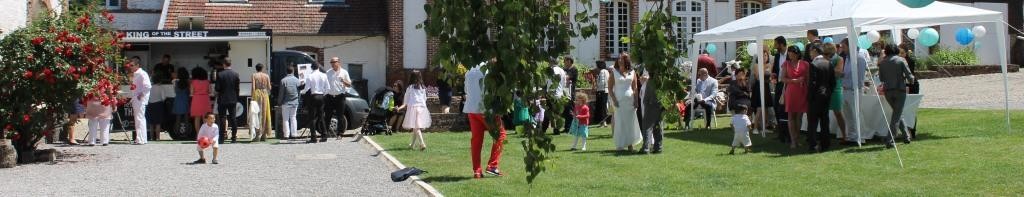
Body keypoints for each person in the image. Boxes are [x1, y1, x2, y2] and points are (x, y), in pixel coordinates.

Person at [464, 61, 507, 178]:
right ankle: (492, 165)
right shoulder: (490, 71)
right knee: (500, 135)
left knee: (476, 141)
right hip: (486, 109)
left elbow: (466, 90)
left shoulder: (469, 70)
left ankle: (477, 171)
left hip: (471, 109)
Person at [878, 43, 916, 148]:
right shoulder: (901, 60)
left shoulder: (882, 62)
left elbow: (881, 78)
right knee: (896, 116)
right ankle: (889, 140)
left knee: (897, 113)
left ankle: (906, 136)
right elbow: (909, 75)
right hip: (900, 90)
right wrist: (911, 80)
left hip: (888, 92)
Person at [608, 52, 642, 151]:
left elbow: (635, 88)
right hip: (618, 101)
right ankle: (620, 144)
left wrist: (636, 101)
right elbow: (610, 88)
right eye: (619, 59)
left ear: (626, 60)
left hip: (630, 101)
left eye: (622, 59)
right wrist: (614, 100)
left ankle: (630, 144)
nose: (619, 60)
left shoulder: (632, 72)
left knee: (630, 123)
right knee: (620, 122)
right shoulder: (614, 72)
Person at [805, 43, 836, 152]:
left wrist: (809, 96)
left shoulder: (813, 64)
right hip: (826, 95)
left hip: (815, 96)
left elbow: (812, 83)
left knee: (812, 122)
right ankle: (825, 144)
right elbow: (833, 82)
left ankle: (813, 145)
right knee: (824, 121)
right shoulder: (829, 63)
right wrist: (829, 92)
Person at [839, 38, 869, 145]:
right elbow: (847, 73)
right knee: (848, 115)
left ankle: (862, 137)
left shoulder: (859, 58)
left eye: (844, 46)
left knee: (857, 114)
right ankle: (852, 137)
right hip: (846, 90)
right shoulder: (847, 58)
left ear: (850, 46)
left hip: (854, 90)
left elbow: (860, 77)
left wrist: (853, 87)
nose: (842, 49)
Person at [782, 45, 809, 149]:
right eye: (789, 54)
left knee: (799, 116)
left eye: (793, 54)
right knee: (791, 116)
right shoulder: (786, 64)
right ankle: (793, 141)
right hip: (791, 91)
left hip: (802, 91)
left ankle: (797, 139)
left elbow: (808, 78)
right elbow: (782, 78)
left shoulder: (805, 64)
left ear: (798, 54)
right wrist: (794, 81)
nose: (791, 55)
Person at [397, 71, 430, 151]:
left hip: (413, 108)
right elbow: (425, 99)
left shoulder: (410, 88)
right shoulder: (423, 87)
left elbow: (405, 102)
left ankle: (422, 143)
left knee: (416, 127)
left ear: (411, 77)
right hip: (422, 108)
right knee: (416, 127)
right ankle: (412, 145)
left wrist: (398, 108)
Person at [823, 43, 847, 142]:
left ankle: (844, 135)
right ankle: (825, 135)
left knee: (838, 112)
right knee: (824, 113)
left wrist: (826, 67)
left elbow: (838, 72)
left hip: (836, 88)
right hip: (824, 87)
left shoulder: (839, 59)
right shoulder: (822, 59)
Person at [149, 55, 175, 141]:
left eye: (167, 61)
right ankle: (157, 138)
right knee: (158, 123)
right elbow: (163, 98)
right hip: (159, 105)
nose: (166, 62)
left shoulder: (150, 87)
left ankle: (152, 137)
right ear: (162, 59)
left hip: (151, 104)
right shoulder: (160, 87)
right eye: (165, 60)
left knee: (152, 122)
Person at [325, 57, 353, 139]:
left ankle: (340, 134)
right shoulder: (328, 72)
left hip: (340, 97)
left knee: (340, 116)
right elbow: (325, 84)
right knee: (327, 115)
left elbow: (349, 85)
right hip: (329, 97)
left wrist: (343, 81)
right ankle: (325, 133)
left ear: (339, 62)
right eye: (331, 62)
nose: (332, 63)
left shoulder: (344, 72)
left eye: (334, 62)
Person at [639, 70, 665, 154]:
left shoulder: (651, 81)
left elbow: (648, 96)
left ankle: (646, 147)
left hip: (651, 105)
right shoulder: (661, 80)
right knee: (657, 126)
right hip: (659, 105)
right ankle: (658, 147)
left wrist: (646, 103)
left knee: (647, 126)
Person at [214, 58, 240, 144]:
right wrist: (236, 97)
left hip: (222, 99)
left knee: (222, 118)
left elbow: (217, 88)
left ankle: (221, 138)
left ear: (223, 64)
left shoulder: (220, 74)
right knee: (233, 118)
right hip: (233, 99)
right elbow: (237, 88)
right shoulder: (236, 74)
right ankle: (234, 138)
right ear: (230, 64)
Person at [302, 64, 329, 143]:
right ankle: (324, 136)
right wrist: (323, 94)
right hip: (321, 96)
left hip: (313, 96)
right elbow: (328, 88)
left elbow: (306, 88)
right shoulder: (324, 75)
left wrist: (302, 92)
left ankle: (313, 137)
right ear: (318, 67)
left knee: (312, 117)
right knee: (321, 116)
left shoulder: (310, 76)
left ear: (311, 68)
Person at [541, 60, 570, 135]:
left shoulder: (551, 70)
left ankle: (544, 128)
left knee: (548, 112)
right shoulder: (562, 71)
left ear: (551, 63)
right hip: (559, 94)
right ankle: (556, 129)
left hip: (551, 93)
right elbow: (564, 83)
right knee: (557, 113)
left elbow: (548, 82)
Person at [771, 36, 791, 143]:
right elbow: (775, 70)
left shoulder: (791, 53)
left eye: (776, 44)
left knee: (786, 110)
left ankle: (789, 134)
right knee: (777, 108)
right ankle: (781, 133)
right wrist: (773, 76)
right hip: (779, 85)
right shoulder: (777, 56)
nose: (774, 46)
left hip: (788, 85)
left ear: (781, 44)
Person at [128, 58, 152, 145]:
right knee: (140, 119)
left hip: (139, 99)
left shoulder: (142, 73)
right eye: (130, 65)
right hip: (137, 98)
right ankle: (142, 138)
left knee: (139, 119)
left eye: (132, 65)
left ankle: (140, 139)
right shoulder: (137, 74)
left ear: (137, 65)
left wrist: (141, 94)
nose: (130, 67)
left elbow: (148, 86)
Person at [899, 42, 920, 139]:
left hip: (911, 85)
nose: (900, 54)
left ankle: (912, 131)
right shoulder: (898, 61)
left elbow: (909, 74)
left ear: (906, 53)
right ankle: (905, 131)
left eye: (902, 52)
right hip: (902, 86)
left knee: (911, 108)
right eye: (899, 52)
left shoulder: (910, 61)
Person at [278, 66, 301, 140]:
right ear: (293, 71)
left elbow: (281, 93)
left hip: (285, 103)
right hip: (295, 102)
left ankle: (286, 135)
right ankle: (294, 134)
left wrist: (279, 102)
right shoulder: (297, 80)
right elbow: (299, 92)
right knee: (293, 118)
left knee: (285, 119)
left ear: (286, 71)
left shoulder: (283, 80)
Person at [251, 63, 272, 142]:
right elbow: (269, 87)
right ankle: (264, 135)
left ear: (256, 68)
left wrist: (252, 97)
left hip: (257, 94)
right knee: (265, 113)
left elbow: (253, 87)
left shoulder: (254, 75)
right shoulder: (266, 76)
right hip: (265, 94)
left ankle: (257, 135)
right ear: (262, 68)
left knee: (257, 113)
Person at [190, 67, 211, 135]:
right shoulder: (207, 82)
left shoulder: (193, 82)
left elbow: (191, 92)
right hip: (205, 99)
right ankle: (206, 135)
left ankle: (198, 135)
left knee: (197, 118)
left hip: (196, 99)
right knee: (205, 118)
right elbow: (210, 91)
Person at [172, 67, 191, 136]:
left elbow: (174, 91)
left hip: (178, 100)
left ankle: (177, 133)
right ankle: (187, 133)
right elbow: (189, 92)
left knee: (178, 118)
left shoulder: (175, 82)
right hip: (185, 100)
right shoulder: (188, 82)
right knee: (186, 118)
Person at [594, 61, 611, 127]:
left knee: (602, 107)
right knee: (603, 107)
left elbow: (602, 82)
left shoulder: (602, 71)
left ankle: (604, 121)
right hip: (604, 90)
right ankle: (603, 121)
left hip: (602, 91)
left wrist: (597, 86)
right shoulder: (605, 71)